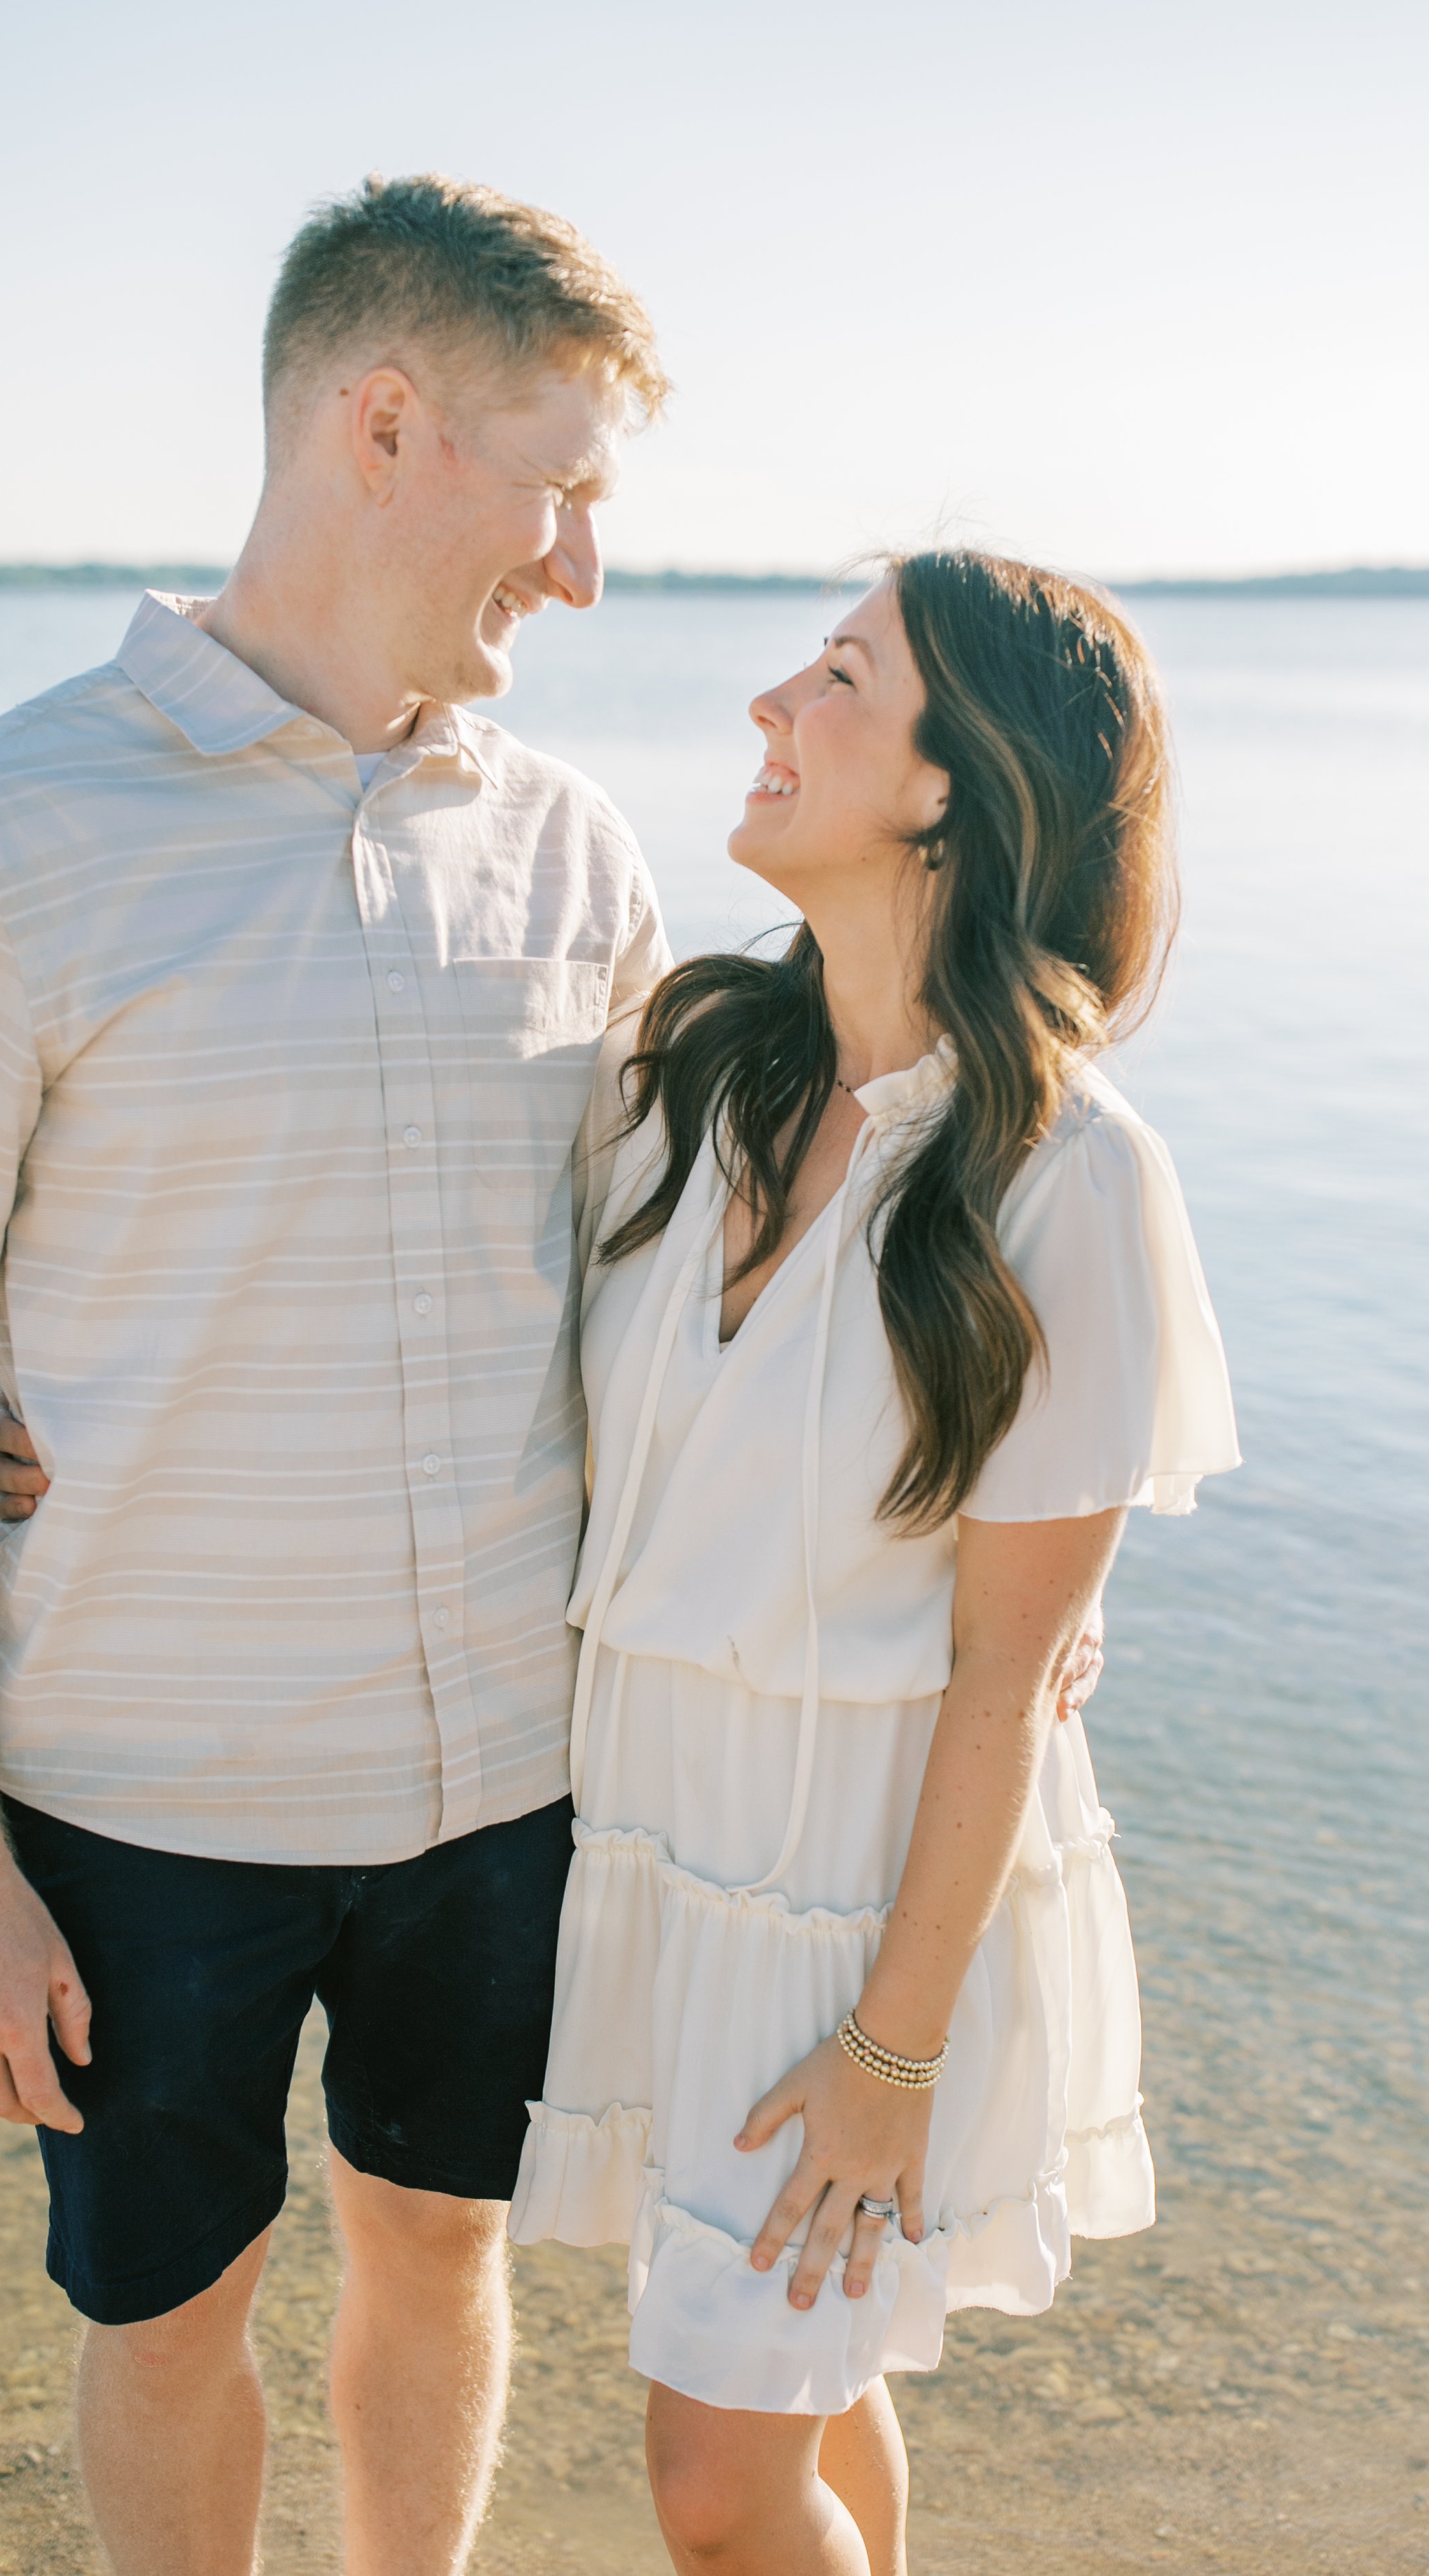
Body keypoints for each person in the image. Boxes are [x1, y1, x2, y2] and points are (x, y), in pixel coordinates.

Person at [0, 173, 677, 2576]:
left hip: (503, 1774)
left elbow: (673, 1291)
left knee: (439, 2247)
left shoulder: (582, 853)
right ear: (383, 424)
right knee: (172, 2310)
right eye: (560, 487)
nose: (582, 565)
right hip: (133, 1797)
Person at [506, 551, 1240, 2576]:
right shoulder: (688, 1067)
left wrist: (889, 2059)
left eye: (834, 676)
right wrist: (71, 1425)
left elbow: (1007, 1677)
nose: (767, 705)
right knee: (806, 2413)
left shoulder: (1066, 1174)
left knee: (715, 2484)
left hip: (861, 1917)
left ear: (942, 788)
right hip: (667, 1852)